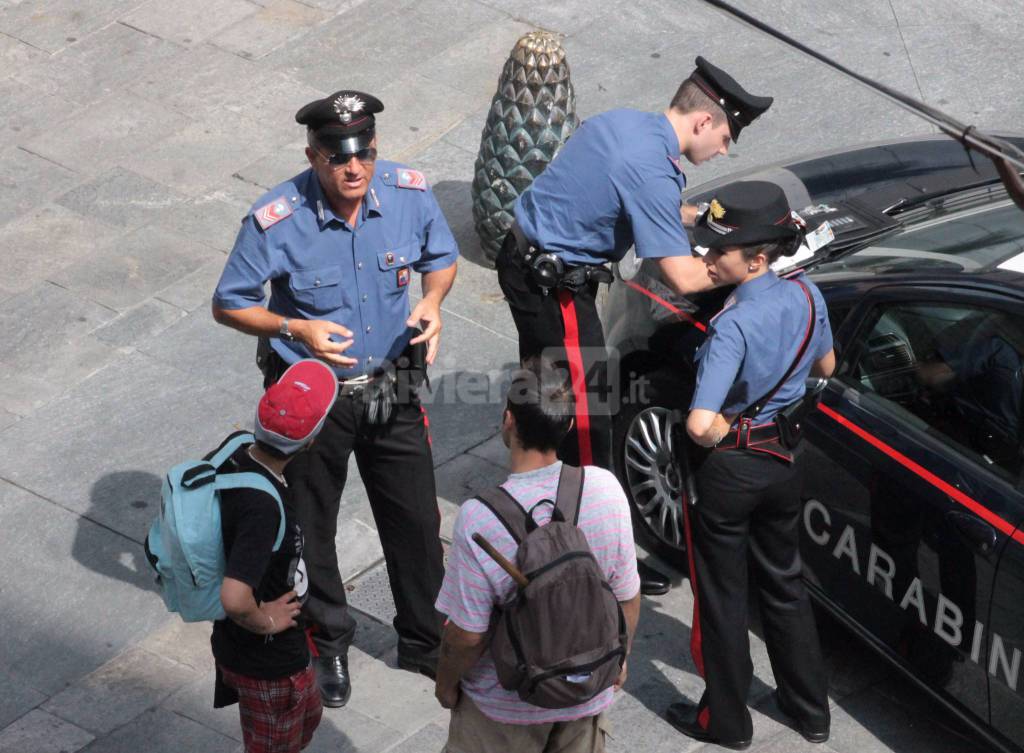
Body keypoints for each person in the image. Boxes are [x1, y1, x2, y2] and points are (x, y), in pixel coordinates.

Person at [212, 89, 459, 707]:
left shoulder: (406, 193)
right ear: (313, 156)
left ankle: (426, 643)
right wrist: (294, 329)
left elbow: (443, 258)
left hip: (394, 383)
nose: (354, 169)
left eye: (364, 154)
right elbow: (230, 302)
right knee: (311, 527)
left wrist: (431, 303)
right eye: (338, 157)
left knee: (415, 521)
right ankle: (329, 642)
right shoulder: (276, 217)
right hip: (316, 398)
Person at [497, 57, 773, 596]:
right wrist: (752, 262)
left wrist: (704, 217)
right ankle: (588, 556)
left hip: (524, 262)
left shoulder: (627, 124)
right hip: (555, 290)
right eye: (723, 137)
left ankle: (527, 473)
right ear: (701, 122)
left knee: (545, 390)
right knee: (588, 422)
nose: (722, 150)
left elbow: (636, 197)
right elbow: (684, 277)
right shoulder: (652, 167)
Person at [664, 181, 835, 748]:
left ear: (758, 259)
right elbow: (828, 367)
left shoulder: (731, 326)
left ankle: (728, 723)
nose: (707, 258)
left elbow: (698, 421)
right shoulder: (809, 296)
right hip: (786, 459)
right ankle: (809, 710)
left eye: (719, 252)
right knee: (785, 583)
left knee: (723, 597)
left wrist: (725, 434)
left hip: (733, 468)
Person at [434, 358, 642, 753]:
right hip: (585, 694)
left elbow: (467, 635)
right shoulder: (605, 488)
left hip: (503, 712)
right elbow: (627, 596)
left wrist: (445, 685)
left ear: (508, 421)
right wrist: (619, 658)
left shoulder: (479, 519)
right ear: (566, 427)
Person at [213, 358, 338, 753]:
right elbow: (234, 597)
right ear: (310, 442)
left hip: (255, 650)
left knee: (306, 719)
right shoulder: (262, 509)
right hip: (268, 664)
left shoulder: (235, 453)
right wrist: (266, 620)